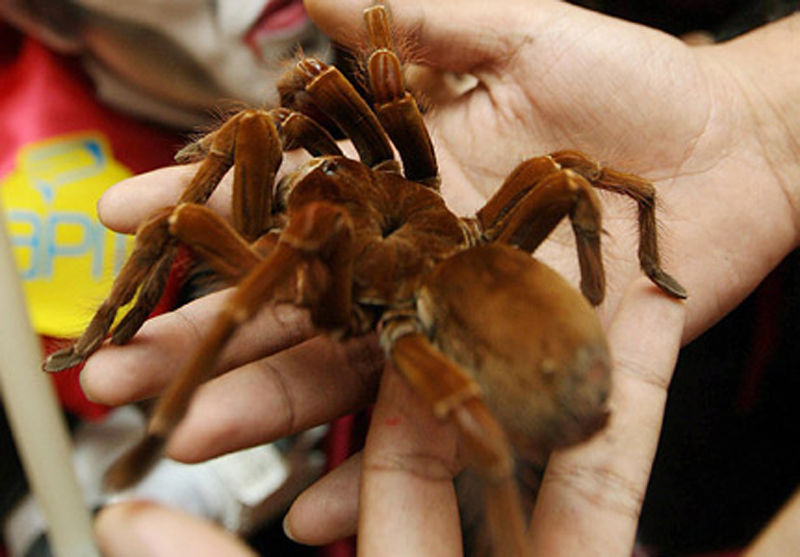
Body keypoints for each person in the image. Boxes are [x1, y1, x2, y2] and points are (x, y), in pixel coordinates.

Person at [79, 0, 800, 555]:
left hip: (649, 423)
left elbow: (247, 213)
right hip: (495, 263)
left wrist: (762, 115)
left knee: (181, 216)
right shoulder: (423, 175)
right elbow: (580, 178)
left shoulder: (314, 237)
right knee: (564, 178)